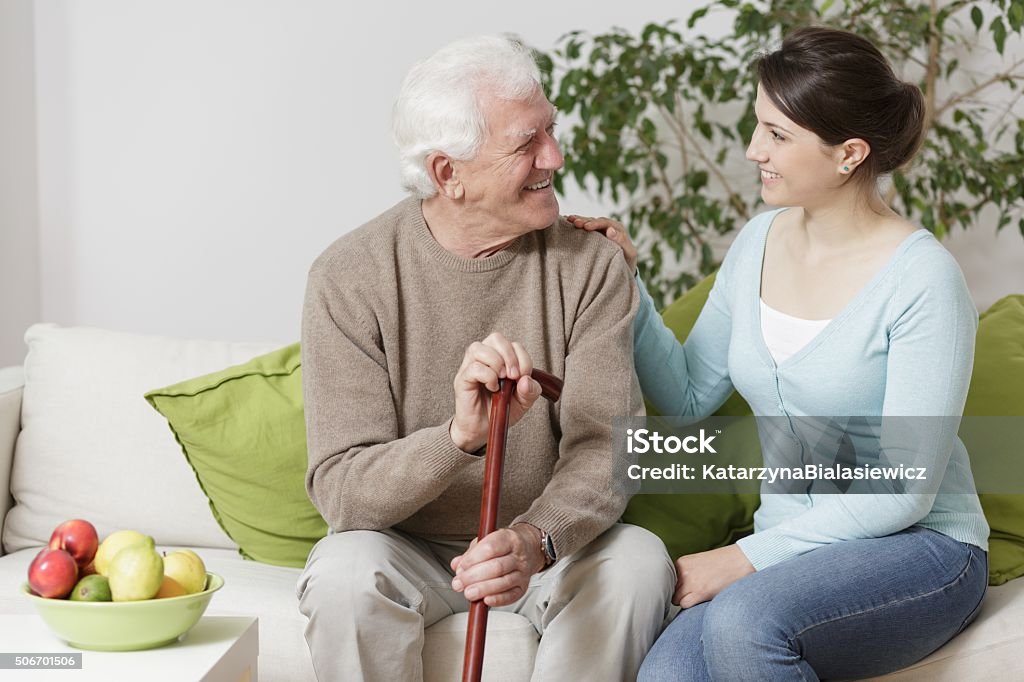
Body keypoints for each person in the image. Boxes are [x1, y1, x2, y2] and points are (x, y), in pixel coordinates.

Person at [569, 26, 989, 681]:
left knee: (745, 623)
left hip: (923, 548)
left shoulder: (922, 281)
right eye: (757, 126)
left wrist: (744, 559)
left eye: (777, 134)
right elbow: (684, 399)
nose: (751, 149)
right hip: (794, 549)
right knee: (665, 675)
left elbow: (905, 492)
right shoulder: (758, 242)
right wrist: (628, 283)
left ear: (849, 153)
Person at [297, 34, 674, 681]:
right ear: (449, 174)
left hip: (552, 550)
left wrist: (534, 539)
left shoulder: (591, 265)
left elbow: (608, 447)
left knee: (639, 562)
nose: (554, 156)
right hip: (405, 546)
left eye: (550, 131)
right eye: (526, 142)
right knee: (343, 577)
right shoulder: (349, 276)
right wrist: (458, 438)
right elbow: (343, 491)